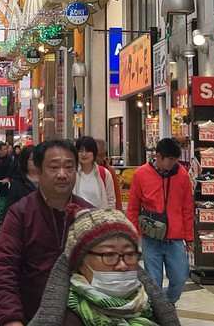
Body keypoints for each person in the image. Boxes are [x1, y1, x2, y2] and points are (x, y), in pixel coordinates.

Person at [0, 139, 94, 326]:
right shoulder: (20, 213)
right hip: (33, 317)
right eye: (54, 167)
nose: (62, 174)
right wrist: (11, 319)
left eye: (69, 167)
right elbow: (5, 270)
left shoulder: (90, 214)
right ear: (39, 172)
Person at [28, 208, 180, 326]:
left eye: (129, 254)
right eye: (108, 255)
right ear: (81, 262)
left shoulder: (150, 309)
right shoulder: (68, 318)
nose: (122, 265)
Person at [126, 138, 193, 304]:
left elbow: (187, 207)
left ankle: (167, 303)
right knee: (153, 282)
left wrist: (190, 237)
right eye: (170, 159)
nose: (173, 163)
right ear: (158, 156)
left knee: (179, 278)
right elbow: (133, 207)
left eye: (175, 160)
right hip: (151, 238)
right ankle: (159, 310)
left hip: (175, 237)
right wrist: (131, 235)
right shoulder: (141, 174)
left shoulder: (182, 175)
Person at [73, 136, 117, 210]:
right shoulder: (72, 173)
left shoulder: (104, 174)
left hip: (100, 219)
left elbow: (111, 201)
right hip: (77, 219)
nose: (83, 154)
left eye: (87, 151)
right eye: (80, 151)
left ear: (94, 152)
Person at [6, 144, 40, 209]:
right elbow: (10, 209)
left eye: (38, 158)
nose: (36, 162)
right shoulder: (17, 183)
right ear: (25, 161)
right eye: (32, 159)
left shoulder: (47, 180)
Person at [94, 138, 122, 212]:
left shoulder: (109, 171)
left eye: (102, 155)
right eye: (97, 155)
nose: (99, 158)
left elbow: (116, 196)